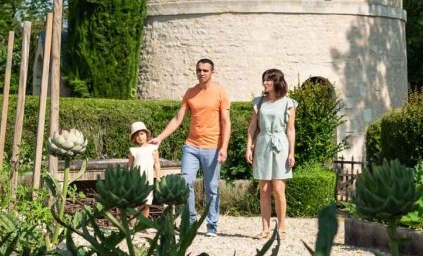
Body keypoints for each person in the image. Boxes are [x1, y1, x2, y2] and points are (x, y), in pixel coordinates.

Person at [150, 58, 230, 236]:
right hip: (191, 147)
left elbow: (226, 122)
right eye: (199, 70)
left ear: (212, 72)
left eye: (205, 70)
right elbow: (178, 119)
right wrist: (160, 138)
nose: (201, 73)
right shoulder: (190, 93)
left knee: (211, 187)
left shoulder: (220, 93)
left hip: (213, 147)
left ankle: (212, 225)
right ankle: (190, 222)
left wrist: (224, 147)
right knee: (185, 184)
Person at [246, 67, 297, 240]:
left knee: (279, 189)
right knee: (264, 189)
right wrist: (249, 147)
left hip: (281, 145)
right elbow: (252, 127)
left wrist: (291, 153)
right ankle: (265, 229)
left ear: (277, 82)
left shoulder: (289, 103)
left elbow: (291, 130)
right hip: (262, 144)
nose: (265, 82)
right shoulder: (258, 102)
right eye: (264, 79)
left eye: (269, 79)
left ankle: (281, 228)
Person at [126, 121, 159, 218]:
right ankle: (133, 222)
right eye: (137, 135)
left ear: (146, 134)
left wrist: (158, 177)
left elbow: (156, 163)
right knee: (135, 201)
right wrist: (128, 178)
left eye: (141, 134)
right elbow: (129, 166)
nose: (140, 137)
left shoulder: (153, 148)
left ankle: (144, 223)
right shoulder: (133, 150)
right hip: (136, 178)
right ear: (134, 138)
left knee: (147, 202)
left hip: (148, 178)